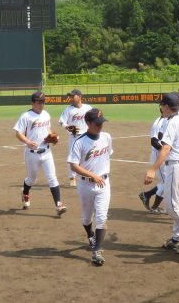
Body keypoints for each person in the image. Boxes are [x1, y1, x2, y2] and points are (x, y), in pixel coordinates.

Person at [144, 93, 179, 254]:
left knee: (172, 207)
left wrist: (153, 169)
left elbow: (166, 148)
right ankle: (177, 239)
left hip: (176, 167)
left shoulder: (171, 123)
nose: (161, 107)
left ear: (167, 106)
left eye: (162, 105)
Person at [67, 108, 113, 266]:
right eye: (97, 123)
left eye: (102, 122)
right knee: (87, 218)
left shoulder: (107, 137)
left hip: (104, 184)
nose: (100, 126)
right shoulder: (79, 142)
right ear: (88, 123)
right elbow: (73, 165)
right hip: (86, 185)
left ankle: (97, 251)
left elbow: (107, 156)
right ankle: (90, 235)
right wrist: (92, 174)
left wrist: (100, 174)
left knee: (101, 217)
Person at [13, 91, 67, 216]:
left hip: (47, 152)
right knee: (32, 179)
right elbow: (18, 133)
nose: (41, 105)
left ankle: (58, 204)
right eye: (39, 102)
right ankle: (25, 193)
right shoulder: (26, 116)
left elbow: (48, 130)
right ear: (33, 103)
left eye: (43, 102)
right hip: (32, 154)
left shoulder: (46, 115)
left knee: (52, 178)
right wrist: (28, 142)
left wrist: (54, 137)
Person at [59, 89, 92, 187]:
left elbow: (93, 119)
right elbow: (61, 122)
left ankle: (88, 175)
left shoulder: (88, 108)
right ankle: (72, 178)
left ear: (79, 96)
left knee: (88, 156)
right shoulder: (68, 110)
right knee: (73, 158)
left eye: (73, 96)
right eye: (70, 96)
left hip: (87, 136)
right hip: (74, 137)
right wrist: (67, 127)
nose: (71, 98)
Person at [138, 108, 167, 214]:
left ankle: (147, 196)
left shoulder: (169, 120)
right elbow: (154, 142)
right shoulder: (159, 122)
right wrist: (164, 151)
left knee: (167, 182)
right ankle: (153, 205)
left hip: (164, 155)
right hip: (158, 156)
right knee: (167, 182)